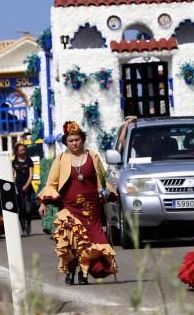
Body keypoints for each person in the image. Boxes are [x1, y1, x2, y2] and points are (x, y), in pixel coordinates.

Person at [38, 121, 117, 284]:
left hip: (90, 209)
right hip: (68, 207)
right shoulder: (61, 159)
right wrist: (44, 203)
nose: (74, 143)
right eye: (70, 140)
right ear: (66, 142)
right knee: (71, 240)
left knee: (90, 242)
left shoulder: (93, 156)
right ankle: (70, 271)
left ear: (83, 140)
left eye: (77, 139)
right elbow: (51, 183)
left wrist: (106, 192)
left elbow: (101, 179)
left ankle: (84, 272)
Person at [11, 142, 37, 237]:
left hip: (28, 187)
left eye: (24, 149)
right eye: (21, 150)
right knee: (21, 209)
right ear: (17, 152)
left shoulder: (29, 160)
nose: (23, 151)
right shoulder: (14, 161)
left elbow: (31, 175)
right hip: (18, 187)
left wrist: (26, 185)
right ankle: (23, 229)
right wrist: (12, 185)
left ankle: (29, 223)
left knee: (28, 209)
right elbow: (12, 175)